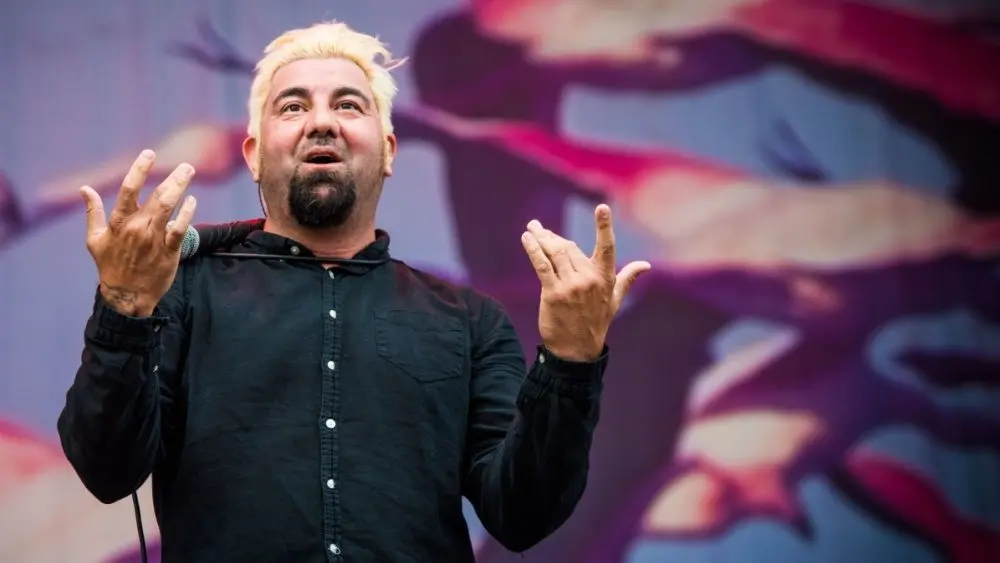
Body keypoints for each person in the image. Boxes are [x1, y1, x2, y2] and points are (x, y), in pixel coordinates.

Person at [55, 20, 650, 563]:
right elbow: (108, 470)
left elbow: (522, 515)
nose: (322, 122)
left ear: (388, 151)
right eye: (293, 107)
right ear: (254, 156)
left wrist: (571, 363)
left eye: (348, 104)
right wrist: (123, 308)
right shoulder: (181, 290)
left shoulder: (469, 319)